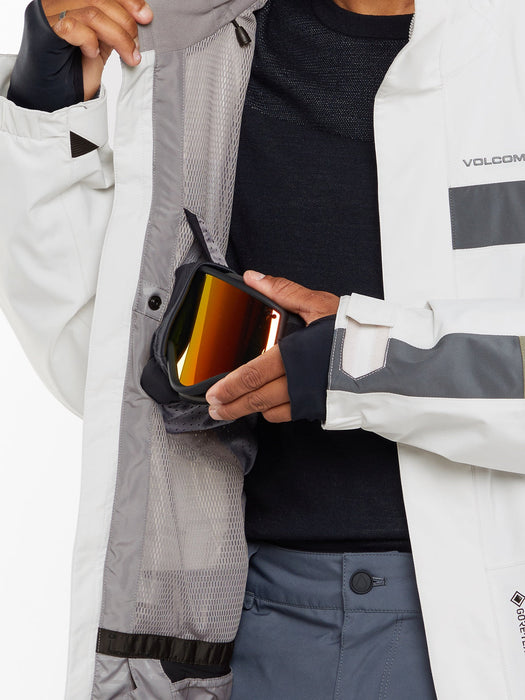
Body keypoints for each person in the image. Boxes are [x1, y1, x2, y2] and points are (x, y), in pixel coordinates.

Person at [1, 0, 525, 699]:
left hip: (478, 620)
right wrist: (47, 107)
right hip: (235, 623)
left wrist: (363, 362)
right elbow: (105, 377)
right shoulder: (191, 46)